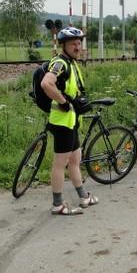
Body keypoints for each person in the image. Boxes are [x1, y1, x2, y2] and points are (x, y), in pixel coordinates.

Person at [40, 27, 98, 215]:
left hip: (71, 121)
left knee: (75, 159)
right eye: (73, 44)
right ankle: (57, 204)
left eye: (79, 43)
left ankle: (83, 196)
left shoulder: (71, 63)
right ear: (63, 45)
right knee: (60, 163)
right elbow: (46, 83)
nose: (78, 47)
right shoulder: (60, 63)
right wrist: (63, 101)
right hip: (62, 122)